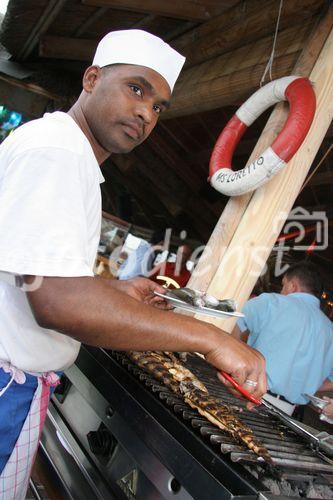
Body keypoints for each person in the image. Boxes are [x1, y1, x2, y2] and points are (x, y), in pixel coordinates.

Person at [0, 29, 266, 496]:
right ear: (91, 78)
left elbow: (36, 278)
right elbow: (57, 303)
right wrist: (209, 340)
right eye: (136, 88)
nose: (146, 112)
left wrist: (111, 291)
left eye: (159, 106)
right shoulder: (58, 152)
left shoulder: (70, 155)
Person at [232, 261, 333, 416]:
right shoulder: (330, 330)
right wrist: (306, 382)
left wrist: (236, 363)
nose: (282, 290)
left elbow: (234, 322)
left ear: (293, 286)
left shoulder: (271, 302)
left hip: (250, 394)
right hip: (289, 412)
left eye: (283, 285)